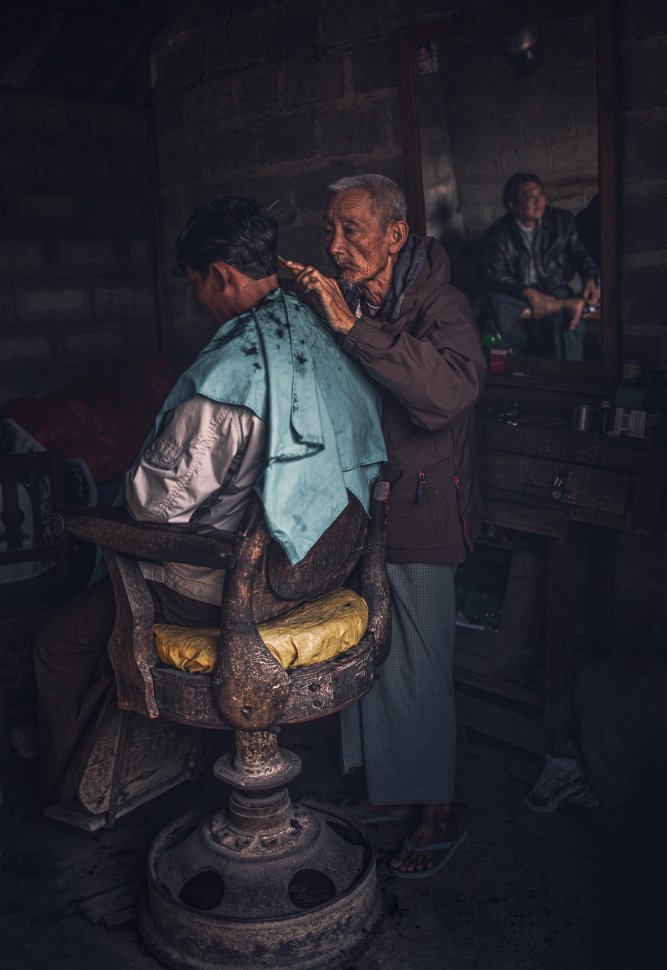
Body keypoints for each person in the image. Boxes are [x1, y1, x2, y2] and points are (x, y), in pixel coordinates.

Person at [34, 196, 386, 808]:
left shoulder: (228, 378)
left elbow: (153, 510)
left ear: (220, 275)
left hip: (232, 589)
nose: (198, 299)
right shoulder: (329, 335)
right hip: (319, 567)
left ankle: (64, 799)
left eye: (196, 283)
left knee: (59, 645)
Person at [283, 173, 486, 877]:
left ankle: (438, 807)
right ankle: (394, 789)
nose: (336, 246)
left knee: (419, 661)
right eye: (329, 232)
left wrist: (350, 328)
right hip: (362, 509)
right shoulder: (358, 299)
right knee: (372, 650)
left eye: (352, 231)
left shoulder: (441, 305)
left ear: (395, 235)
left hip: (422, 508)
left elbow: (448, 393)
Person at [480, 173, 600, 360]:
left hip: (554, 289)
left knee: (566, 323)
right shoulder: (498, 235)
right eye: (530, 197)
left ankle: (569, 372)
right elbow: (493, 275)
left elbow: (581, 254)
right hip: (518, 294)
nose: (539, 201)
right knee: (493, 306)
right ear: (512, 205)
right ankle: (562, 306)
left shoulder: (561, 221)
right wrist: (528, 292)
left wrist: (591, 279)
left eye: (540, 194)